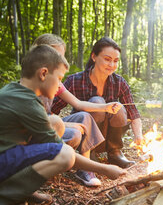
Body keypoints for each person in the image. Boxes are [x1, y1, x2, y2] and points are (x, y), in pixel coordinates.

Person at [0, 45, 125, 205]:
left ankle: (25, 189)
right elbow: (62, 151)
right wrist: (104, 169)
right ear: (43, 73)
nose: (60, 85)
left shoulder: (14, 90)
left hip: (8, 152)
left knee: (55, 122)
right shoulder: (27, 103)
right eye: (58, 79)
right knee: (65, 154)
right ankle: (5, 196)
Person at [33, 34, 122, 187]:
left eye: (61, 56)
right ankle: (45, 166)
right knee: (74, 134)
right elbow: (33, 121)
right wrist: (66, 125)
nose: (59, 61)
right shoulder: (33, 79)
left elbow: (78, 104)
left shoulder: (56, 81)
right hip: (36, 131)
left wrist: (105, 107)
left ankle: (85, 168)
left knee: (85, 116)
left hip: (50, 123)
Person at [52, 37, 144, 169]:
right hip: (85, 136)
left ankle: (115, 153)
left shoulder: (119, 82)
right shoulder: (75, 81)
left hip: (109, 137)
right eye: (107, 59)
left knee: (119, 108)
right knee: (97, 101)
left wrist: (139, 136)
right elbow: (53, 109)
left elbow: (133, 113)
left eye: (115, 61)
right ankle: (90, 154)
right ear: (94, 57)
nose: (111, 65)